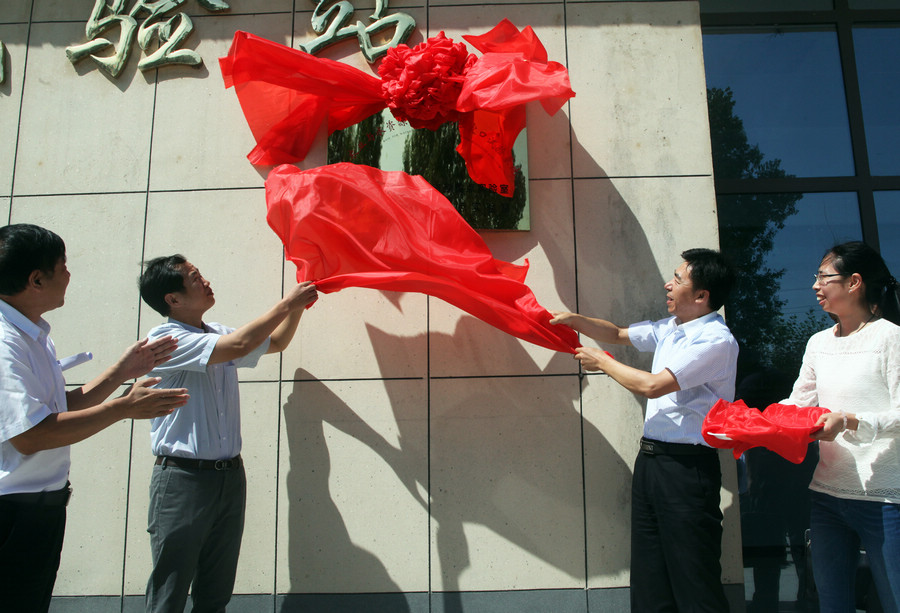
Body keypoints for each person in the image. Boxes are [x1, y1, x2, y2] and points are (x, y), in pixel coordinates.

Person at [0, 223, 189, 613]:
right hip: (12, 514)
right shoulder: (5, 343)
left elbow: (56, 410)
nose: (69, 274)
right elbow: (30, 436)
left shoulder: (31, 334)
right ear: (36, 280)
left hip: (37, 510)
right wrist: (123, 408)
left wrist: (120, 373)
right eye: (62, 266)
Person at [551, 247, 738, 612]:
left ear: (702, 295)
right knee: (650, 577)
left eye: (678, 280)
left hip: (687, 469)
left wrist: (602, 362)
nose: (668, 285)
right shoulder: (672, 329)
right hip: (652, 461)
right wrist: (574, 320)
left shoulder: (715, 341)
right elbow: (618, 333)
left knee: (693, 579)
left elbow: (652, 386)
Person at [138, 254, 318, 613]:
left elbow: (276, 342)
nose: (205, 282)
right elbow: (239, 346)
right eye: (194, 278)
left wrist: (298, 307)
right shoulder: (165, 339)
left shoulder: (217, 332)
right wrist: (287, 302)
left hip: (229, 476)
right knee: (170, 592)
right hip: (183, 479)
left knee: (216, 591)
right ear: (173, 299)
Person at [780, 241, 900, 613]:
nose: (815, 286)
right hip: (828, 496)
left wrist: (848, 420)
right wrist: (748, 423)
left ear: (854, 282)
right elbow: (797, 404)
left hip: (885, 499)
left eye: (823, 277)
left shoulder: (891, 338)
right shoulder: (818, 343)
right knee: (832, 605)